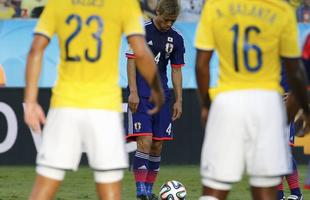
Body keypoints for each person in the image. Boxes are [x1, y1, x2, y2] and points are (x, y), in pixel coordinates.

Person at [23, 0, 165, 200]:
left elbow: (36, 49)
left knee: (45, 184)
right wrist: (157, 89)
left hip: (65, 105)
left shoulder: (59, 3)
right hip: (104, 109)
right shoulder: (124, 4)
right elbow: (140, 52)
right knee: (110, 191)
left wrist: (30, 102)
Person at [195, 1, 310, 200]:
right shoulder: (282, 10)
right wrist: (306, 110)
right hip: (267, 104)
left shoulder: (215, 6)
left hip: (227, 101)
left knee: (214, 187)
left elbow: (201, 65)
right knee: (266, 190)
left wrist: (206, 105)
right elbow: (295, 71)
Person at [125, 0, 184, 199]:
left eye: (173, 20)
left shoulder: (176, 38)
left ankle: (149, 190)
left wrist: (179, 100)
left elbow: (176, 70)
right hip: (141, 95)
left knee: (157, 144)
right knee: (145, 140)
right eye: (166, 19)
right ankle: (140, 188)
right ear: (157, 12)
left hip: (163, 97)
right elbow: (131, 61)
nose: (169, 24)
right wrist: (133, 91)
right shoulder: (140, 31)